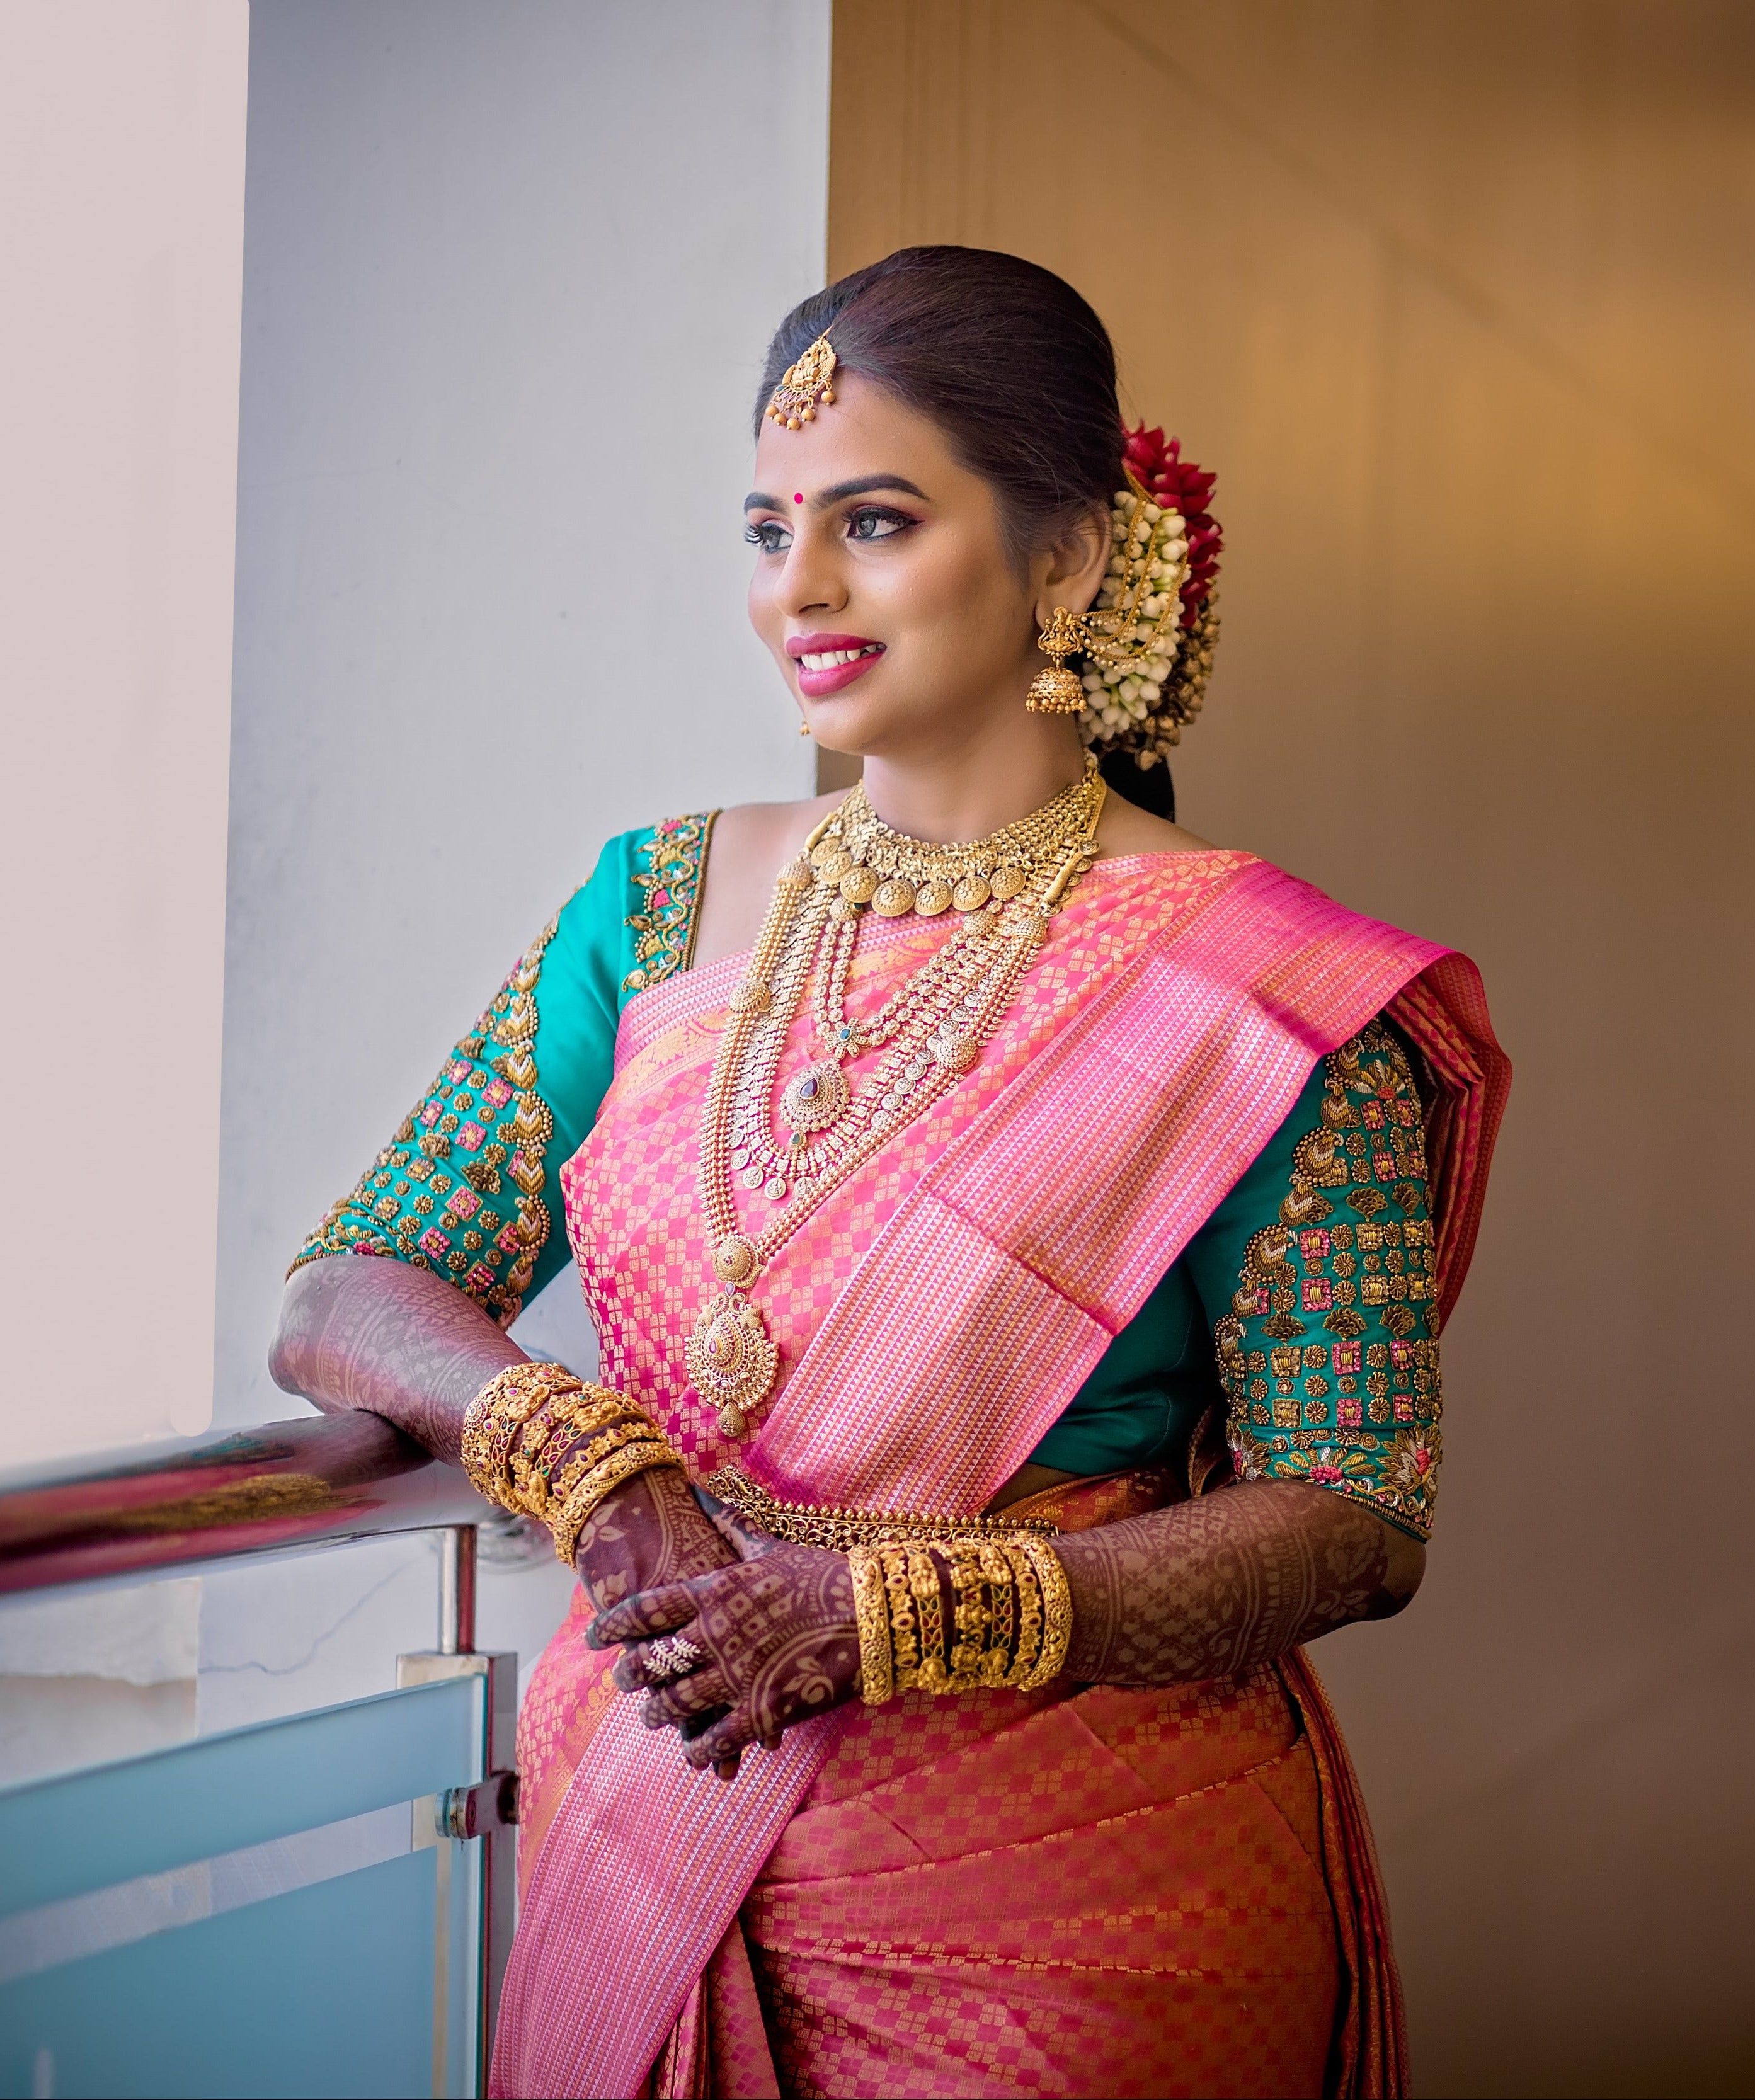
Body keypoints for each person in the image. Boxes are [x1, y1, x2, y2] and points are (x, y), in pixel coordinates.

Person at [272, 247, 1509, 2100]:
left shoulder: (1259, 996)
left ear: (1068, 560)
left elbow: (1352, 1512)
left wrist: (892, 1614)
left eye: (874, 520)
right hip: (653, 1808)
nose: (802, 591)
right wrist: (593, 1463)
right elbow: (352, 1291)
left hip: (1081, 1916)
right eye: (768, 528)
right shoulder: (657, 909)